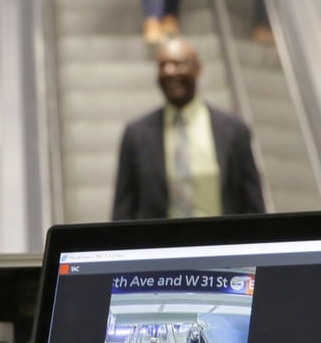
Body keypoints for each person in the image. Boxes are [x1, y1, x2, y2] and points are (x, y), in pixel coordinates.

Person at [112, 37, 265, 220]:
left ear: (197, 69)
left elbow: (254, 207)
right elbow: (123, 210)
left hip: (219, 243)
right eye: (163, 65)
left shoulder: (234, 131)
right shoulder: (136, 135)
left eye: (178, 64)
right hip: (161, 246)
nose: (169, 71)